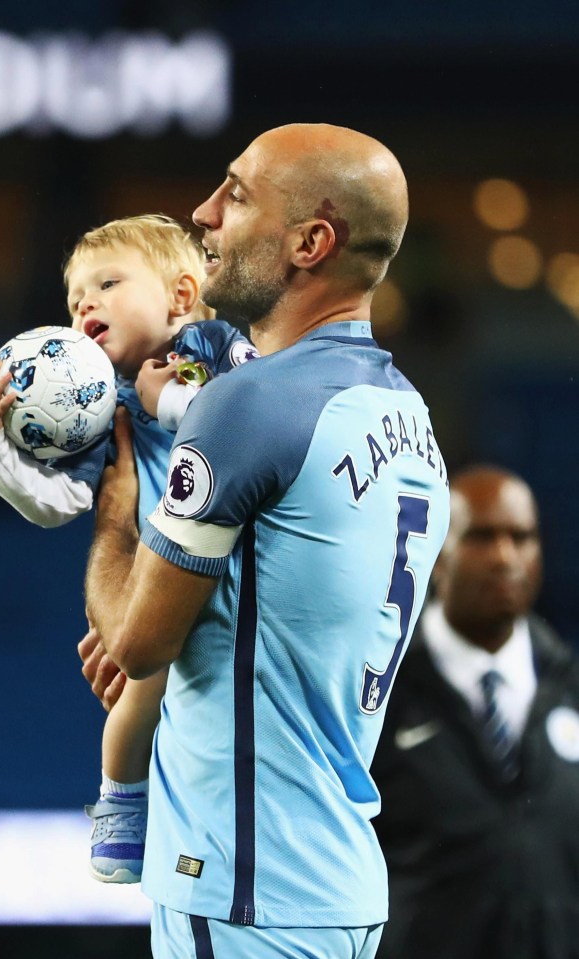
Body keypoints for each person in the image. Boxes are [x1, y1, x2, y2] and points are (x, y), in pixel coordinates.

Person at [79, 123, 451, 959]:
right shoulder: (408, 416)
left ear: (311, 243)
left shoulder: (246, 406)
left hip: (242, 884)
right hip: (338, 880)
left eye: (237, 194)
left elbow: (135, 644)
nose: (205, 213)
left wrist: (114, 513)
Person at [0, 214, 259, 884]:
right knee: (136, 693)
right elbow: (58, 504)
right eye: (74, 301)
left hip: (246, 561)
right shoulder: (102, 412)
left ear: (181, 296)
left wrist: (177, 398)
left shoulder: (217, 346)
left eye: (106, 283)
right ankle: (121, 804)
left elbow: (253, 416)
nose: (84, 304)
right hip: (163, 579)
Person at [371, 465, 579, 959]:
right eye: (482, 538)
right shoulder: (379, 693)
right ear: (436, 556)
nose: (506, 557)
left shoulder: (571, 685)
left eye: (522, 537)